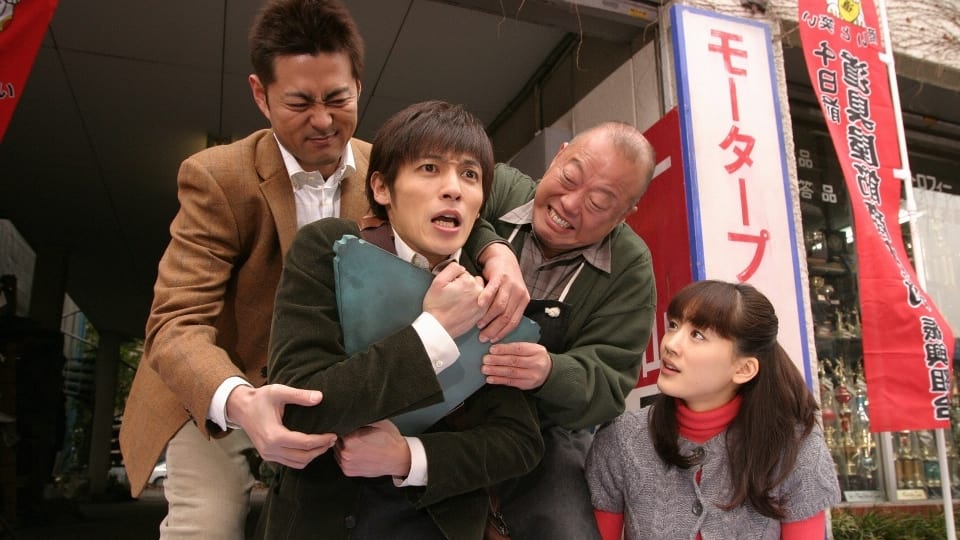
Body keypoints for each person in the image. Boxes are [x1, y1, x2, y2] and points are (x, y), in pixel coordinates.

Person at [119, 1, 526, 538]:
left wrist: (496, 250)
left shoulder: (392, 164)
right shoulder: (218, 177)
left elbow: (456, 201)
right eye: (299, 102)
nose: (323, 120)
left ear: (358, 86)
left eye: (338, 98)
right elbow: (176, 321)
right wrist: (240, 401)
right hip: (227, 382)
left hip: (343, 383)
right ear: (260, 94)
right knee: (208, 525)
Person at [258, 100, 543, 539]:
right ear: (382, 188)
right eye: (429, 168)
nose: (453, 189)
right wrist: (433, 331)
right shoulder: (332, 251)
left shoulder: (490, 293)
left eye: (470, 175)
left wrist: (409, 457)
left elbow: (519, 442)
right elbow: (298, 407)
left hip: (436, 522)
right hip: (320, 516)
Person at [479, 122, 657, 539]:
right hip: (434, 401)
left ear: (624, 215)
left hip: (539, 428)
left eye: (598, 203)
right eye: (569, 178)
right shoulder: (496, 186)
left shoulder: (630, 268)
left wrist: (550, 372)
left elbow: (609, 387)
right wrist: (491, 249)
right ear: (558, 156)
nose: (570, 204)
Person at [586, 280, 841, 539]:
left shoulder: (796, 446)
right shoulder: (621, 438)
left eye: (697, 335)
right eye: (673, 325)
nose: (670, 344)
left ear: (744, 369)